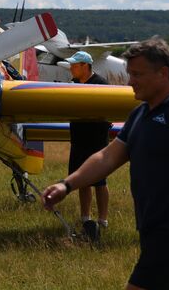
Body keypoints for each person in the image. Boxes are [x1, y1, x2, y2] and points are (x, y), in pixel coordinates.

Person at [42, 38, 169, 289]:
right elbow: (107, 157)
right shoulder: (140, 114)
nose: (130, 81)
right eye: (129, 74)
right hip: (152, 227)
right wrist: (66, 185)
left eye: (137, 74)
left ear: (163, 73)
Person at [64, 51, 110, 231]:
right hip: (78, 139)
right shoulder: (72, 84)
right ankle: (85, 217)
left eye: (74, 65)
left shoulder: (102, 84)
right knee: (82, 180)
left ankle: (103, 219)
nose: (71, 68)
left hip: (96, 141)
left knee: (100, 181)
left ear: (85, 66)